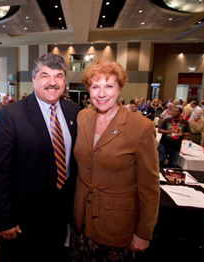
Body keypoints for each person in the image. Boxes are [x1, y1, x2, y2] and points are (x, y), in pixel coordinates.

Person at [0, 53, 79, 261]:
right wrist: (4, 220)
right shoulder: (11, 114)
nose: (53, 83)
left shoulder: (73, 111)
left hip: (60, 216)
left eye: (59, 76)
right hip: (23, 220)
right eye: (45, 75)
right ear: (34, 79)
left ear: (65, 81)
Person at [72, 59, 160, 260]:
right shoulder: (82, 117)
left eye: (109, 86)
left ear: (119, 89)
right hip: (81, 218)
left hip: (116, 224)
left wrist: (144, 232)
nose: (101, 94)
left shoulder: (141, 127)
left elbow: (150, 187)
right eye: (95, 87)